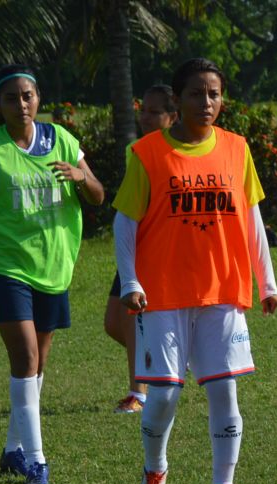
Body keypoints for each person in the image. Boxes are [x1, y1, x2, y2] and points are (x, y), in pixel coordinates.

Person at [113, 57, 277, 484]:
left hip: (222, 290)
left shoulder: (236, 148)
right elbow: (125, 223)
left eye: (214, 94)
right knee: (165, 393)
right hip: (162, 292)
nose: (206, 103)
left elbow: (251, 218)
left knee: (224, 392)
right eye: (196, 94)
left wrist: (266, 282)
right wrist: (130, 280)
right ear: (177, 99)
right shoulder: (147, 153)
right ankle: (155, 475)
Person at [0, 64, 104, 484]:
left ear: (38, 98)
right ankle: (37, 462)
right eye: (11, 98)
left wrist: (82, 177)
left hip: (53, 267)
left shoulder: (62, 139)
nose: (21, 104)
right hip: (5, 266)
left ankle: (12, 448)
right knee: (24, 358)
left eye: (28, 96)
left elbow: (98, 195)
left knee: (38, 364)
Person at [104, 85, 176, 414]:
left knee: (134, 322)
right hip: (133, 245)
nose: (145, 117)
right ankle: (164, 362)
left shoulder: (173, 152)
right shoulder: (136, 148)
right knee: (113, 323)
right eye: (143, 110)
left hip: (155, 249)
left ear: (172, 118)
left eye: (154, 112)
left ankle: (139, 393)